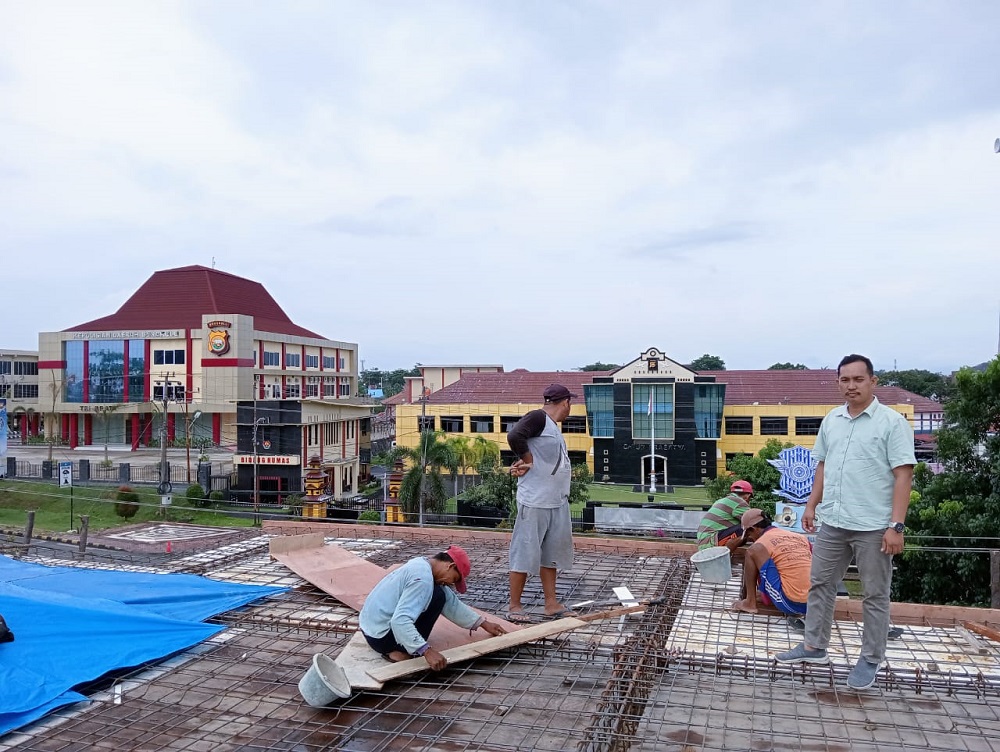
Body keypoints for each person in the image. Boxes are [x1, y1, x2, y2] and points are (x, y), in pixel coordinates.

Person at [776, 354, 916, 691]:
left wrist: (896, 526)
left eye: (858, 379)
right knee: (820, 583)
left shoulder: (891, 423)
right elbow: (822, 466)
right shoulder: (832, 421)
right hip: (833, 521)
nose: (851, 386)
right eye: (845, 380)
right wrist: (811, 505)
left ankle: (870, 658)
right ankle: (814, 646)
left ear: (872, 381)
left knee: (874, 594)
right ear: (838, 382)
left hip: (873, 526)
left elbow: (903, 476)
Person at [359, 545, 507, 670]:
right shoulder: (422, 580)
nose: (450, 583)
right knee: (437, 596)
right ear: (450, 566)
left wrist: (483, 623)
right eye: (454, 579)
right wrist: (426, 651)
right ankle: (397, 650)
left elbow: (452, 604)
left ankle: (402, 645)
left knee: (439, 593)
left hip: (371, 629)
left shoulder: (422, 565)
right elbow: (400, 620)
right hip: (381, 637)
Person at [506, 383, 578, 623]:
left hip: (556, 501)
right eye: (570, 404)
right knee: (524, 551)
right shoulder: (539, 417)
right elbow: (515, 435)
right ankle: (515, 606)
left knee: (551, 555)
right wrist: (527, 459)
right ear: (566, 402)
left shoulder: (553, 428)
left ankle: (551, 604)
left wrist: (528, 461)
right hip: (535, 501)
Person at [731, 508, 811, 617]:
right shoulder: (801, 538)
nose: (751, 539)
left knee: (752, 551)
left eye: (749, 535)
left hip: (794, 604)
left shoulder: (761, 544)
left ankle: (750, 602)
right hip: (819, 603)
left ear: (753, 529)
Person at [696, 480, 754, 551]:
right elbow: (754, 521)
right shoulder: (739, 502)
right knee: (749, 527)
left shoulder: (720, 501)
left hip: (703, 542)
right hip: (711, 542)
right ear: (748, 496)